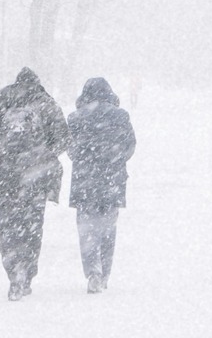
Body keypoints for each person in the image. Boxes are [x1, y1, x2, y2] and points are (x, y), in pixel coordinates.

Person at [0, 67, 69, 301]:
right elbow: (63, 139)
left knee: (5, 228)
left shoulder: (2, 101)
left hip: (3, 178)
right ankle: (26, 273)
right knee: (32, 227)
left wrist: (5, 152)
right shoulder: (46, 104)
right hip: (35, 179)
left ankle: (13, 271)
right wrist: (41, 155)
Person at [66, 77, 137, 294]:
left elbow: (70, 149)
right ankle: (104, 273)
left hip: (85, 181)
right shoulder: (121, 116)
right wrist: (115, 161)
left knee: (87, 230)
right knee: (107, 229)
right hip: (111, 181)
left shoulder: (76, 118)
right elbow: (130, 145)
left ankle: (93, 272)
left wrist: (85, 162)